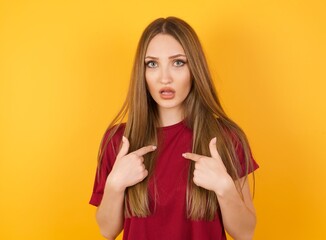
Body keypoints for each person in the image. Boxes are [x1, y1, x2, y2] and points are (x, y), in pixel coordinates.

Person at [89, 16, 259, 240]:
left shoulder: (226, 138)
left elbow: (246, 233)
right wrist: (114, 184)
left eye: (178, 62)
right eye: (152, 64)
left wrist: (225, 188)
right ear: (142, 72)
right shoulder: (119, 140)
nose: (164, 78)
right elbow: (107, 230)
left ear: (194, 68)